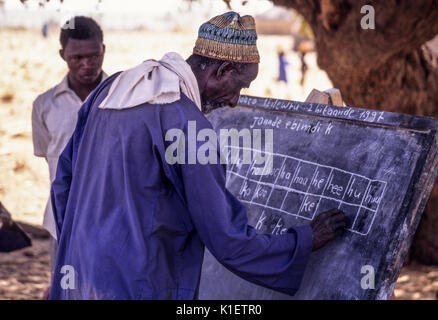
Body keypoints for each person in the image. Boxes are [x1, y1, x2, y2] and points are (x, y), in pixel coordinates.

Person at [49, 12, 346, 300]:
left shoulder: (112, 89)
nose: (234, 100)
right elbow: (226, 238)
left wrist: (79, 246)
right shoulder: (188, 127)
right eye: (240, 86)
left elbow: (62, 184)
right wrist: (305, 240)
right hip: (136, 283)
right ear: (223, 70)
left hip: (79, 276)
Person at [31, 16, 107, 294]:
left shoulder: (122, 99)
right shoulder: (45, 106)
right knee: (67, 290)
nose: (86, 64)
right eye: (77, 57)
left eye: (93, 56)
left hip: (111, 220)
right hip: (61, 223)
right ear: (63, 55)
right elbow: (47, 160)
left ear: (104, 51)